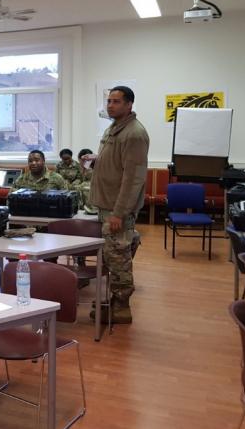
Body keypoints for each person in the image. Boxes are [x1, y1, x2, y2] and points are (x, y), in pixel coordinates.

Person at [86, 86, 149, 324]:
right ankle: (114, 301)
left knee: (119, 258)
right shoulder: (115, 128)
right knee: (112, 256)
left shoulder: (134, 133)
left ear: (129, 104)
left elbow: (133, 178)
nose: (110, 105)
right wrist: (97, 162)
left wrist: (119, 213)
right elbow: (117, 164)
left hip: (116, 210)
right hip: (106, 206)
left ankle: (122, 308)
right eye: (109, 101)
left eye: (116, 101)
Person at [73, 148, 97, 214]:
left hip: (93, 187)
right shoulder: (85, 166)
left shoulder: (89, 167)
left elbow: (88, 180)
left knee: (82, 187)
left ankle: (88, 208)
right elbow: (81, 178)